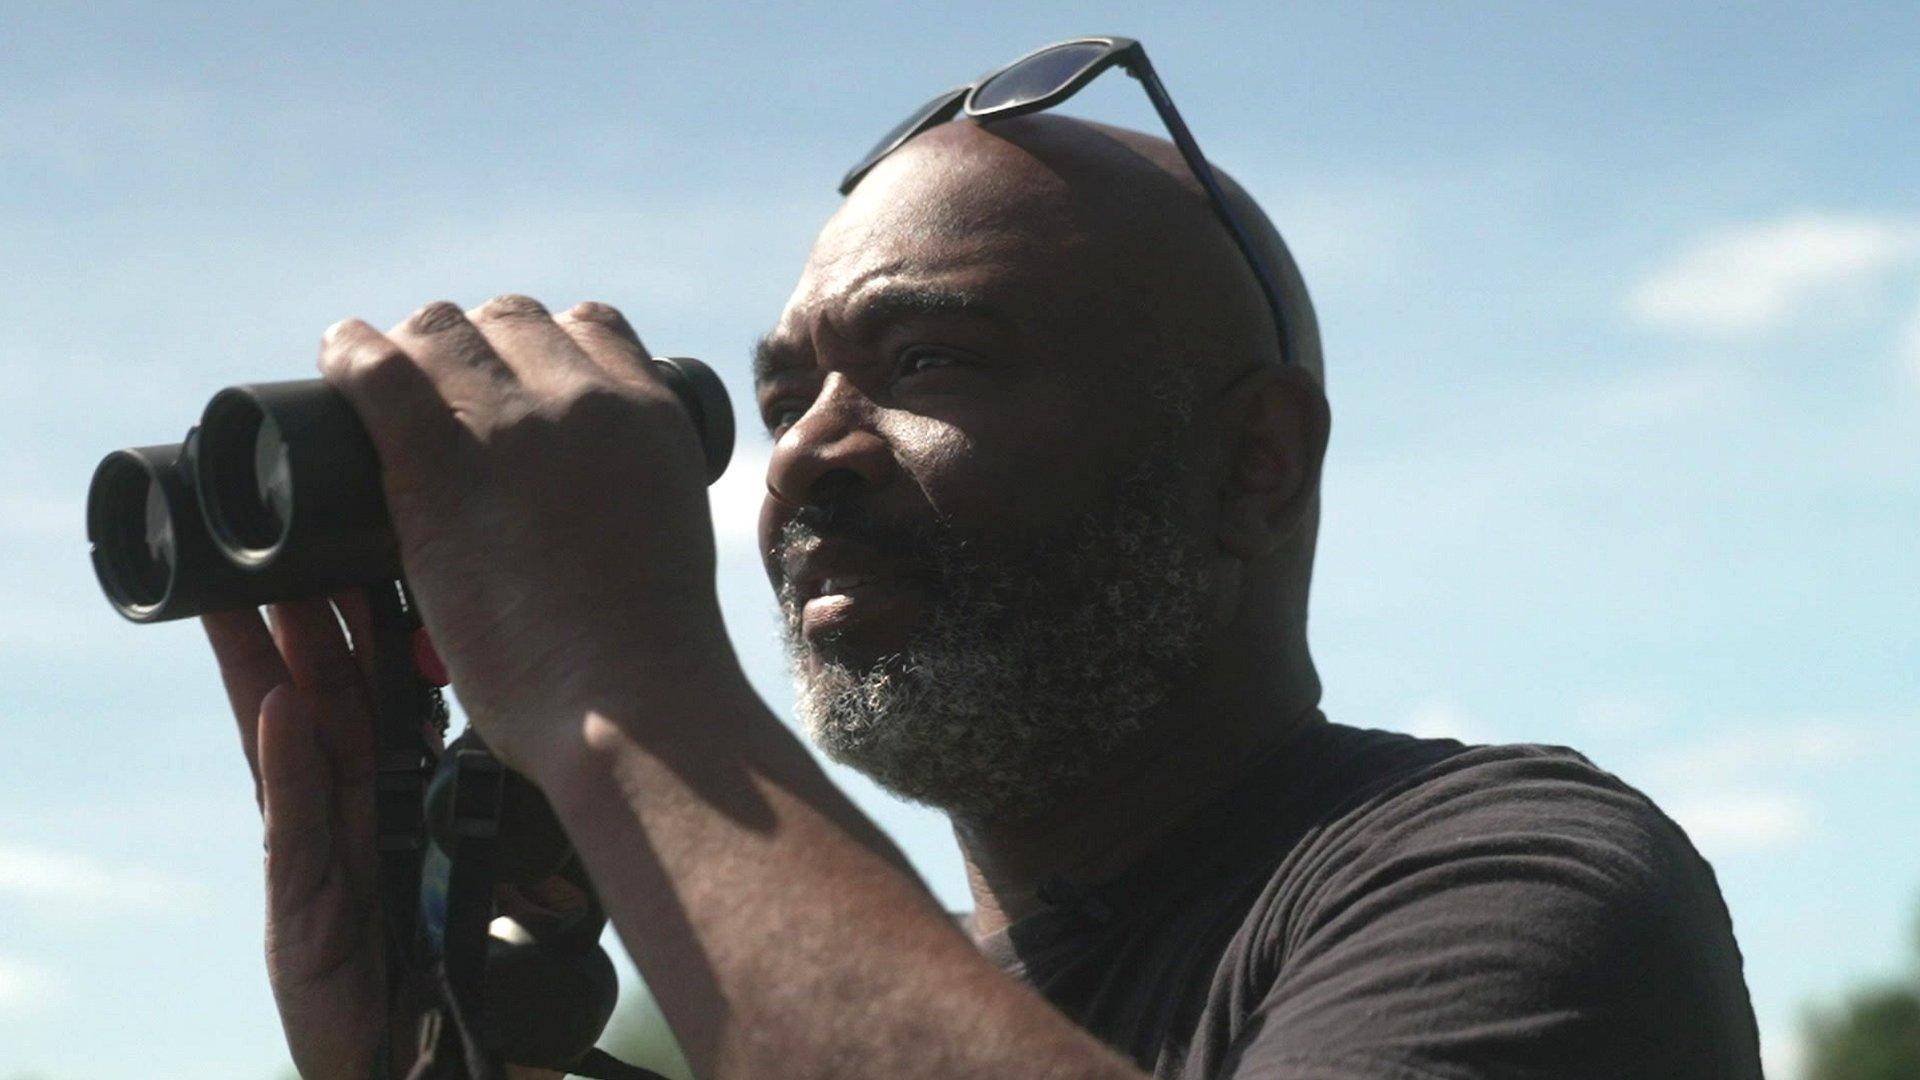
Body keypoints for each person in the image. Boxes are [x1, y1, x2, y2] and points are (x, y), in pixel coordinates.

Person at [201, 108, 1763, 1078]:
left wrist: (619, 697)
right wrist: (418, 1052)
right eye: (781, 395)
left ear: (1257, 462)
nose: (804, 457)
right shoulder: (824, 1014)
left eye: (929, 361)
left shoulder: (1512, 888)